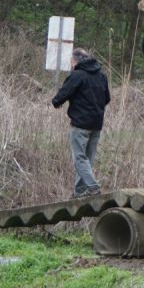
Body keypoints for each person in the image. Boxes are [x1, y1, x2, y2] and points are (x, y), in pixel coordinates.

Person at [52, 48, 111, 198]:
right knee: (88, 159)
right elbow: (107, 99)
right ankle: (79, 192)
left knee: (79, 158)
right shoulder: (101, 76)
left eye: (71, 61)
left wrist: (56, 102)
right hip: (97, 124)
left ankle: (92, 186)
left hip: (80, 124)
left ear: (75, 60)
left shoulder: (77, 75)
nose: (71, 64)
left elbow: (61, 96)